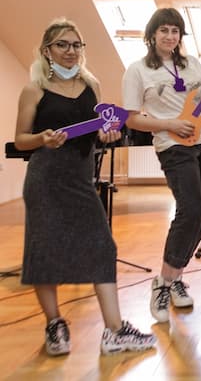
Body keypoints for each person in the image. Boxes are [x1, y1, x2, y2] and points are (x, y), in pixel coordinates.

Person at [14, 19, 157, 356]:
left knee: (102, 246)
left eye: (76, 45)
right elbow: (20, 140)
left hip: (80, 179)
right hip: (46, 179)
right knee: (44, 251)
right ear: (46, 51)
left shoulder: (91, 85)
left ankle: (115, 331)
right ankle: (54, 324)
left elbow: (99, 130)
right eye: (62, 45)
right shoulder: (34, 89)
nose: (70, 51)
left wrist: (107, 135)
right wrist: (41, 139)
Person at [122, 7, 201, 323]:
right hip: (172, 147)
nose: (170, 36)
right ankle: (162, 283)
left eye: (175, 31)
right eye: (164, 30)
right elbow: (131, 119)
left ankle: (175, 278)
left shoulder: (192, 63)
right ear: (151, 35)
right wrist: (170, 124)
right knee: (190, 212)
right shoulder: (137, 70)